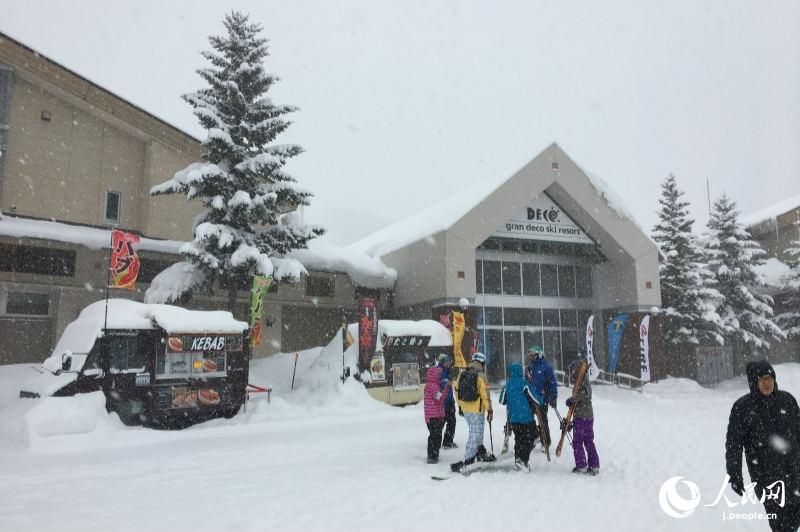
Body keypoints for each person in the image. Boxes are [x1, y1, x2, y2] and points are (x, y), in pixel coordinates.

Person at [726, 360, 800, 531]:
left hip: (795, 474)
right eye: (762, 379)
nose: (767, 383)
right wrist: (735, 474)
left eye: (770, 378)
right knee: (781, 526)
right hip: (767, 479)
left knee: (794, 522)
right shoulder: (742, 408)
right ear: (754, 382)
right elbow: (734, 445)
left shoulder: (787, 400)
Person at [451, 352, 494, 472]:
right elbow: (485, 395)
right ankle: (469, 459)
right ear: (481, 363)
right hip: (477, 410)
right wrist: (489, 409)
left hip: (466, 410)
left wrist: (460, 405)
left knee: (476, 431)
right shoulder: (481, 376)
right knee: (475, 434)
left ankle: (480, 451)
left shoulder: (462, 374)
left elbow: (456, 390)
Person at [499, 362, 543, 472]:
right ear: (520, 371)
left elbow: (502, 401)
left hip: (513, 419)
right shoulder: (524, 383)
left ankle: (518, 458)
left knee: (519, 439)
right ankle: (523, 460)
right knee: (532, 437)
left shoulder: (507, 385)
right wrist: (541, 400)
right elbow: (536, 399)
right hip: (526, 417)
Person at [565, 359, 599, 475]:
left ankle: (581, 466)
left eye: (573, 370)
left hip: (581, 416)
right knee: (588, 440)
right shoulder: (584, 380)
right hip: (588, 416)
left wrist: (572, 400)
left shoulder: (582, 381)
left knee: (578, 441)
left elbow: (583, 394)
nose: (572, 373)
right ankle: (594, 465)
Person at [526, 344, 558, 452]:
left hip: (542, 399)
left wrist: (553, 397)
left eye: (533, 355)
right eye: (530, 355)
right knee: (529, 420)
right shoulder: (530, 368)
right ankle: (535, 437)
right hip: (531, 399)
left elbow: (552, 382)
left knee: (543, 421)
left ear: (538, 355)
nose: (531, 357)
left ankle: (546, 442)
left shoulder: (546, 367)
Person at [423, 365, 448, 464]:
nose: (440, 377)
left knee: (433, 436)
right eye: (439, 375)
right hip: (435, 416)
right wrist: (447, 389)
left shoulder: (429, 385)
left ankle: (433, 455)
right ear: (435, 376)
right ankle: (432, 456)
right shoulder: (434, 387)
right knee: (435, 437)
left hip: (431, 416)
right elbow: (440, 399)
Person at [436, 354, 457, 448]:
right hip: (442, 403)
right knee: (440, 424)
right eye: (447, 361)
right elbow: (438, 388)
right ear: (442, 362)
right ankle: (435, 443)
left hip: (449, 402)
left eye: (449, 361)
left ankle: (448, 442)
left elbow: (449, 388)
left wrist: (452, 399)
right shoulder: (438, 372)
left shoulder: (448, 371)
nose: (449, 363)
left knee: (452, 422)